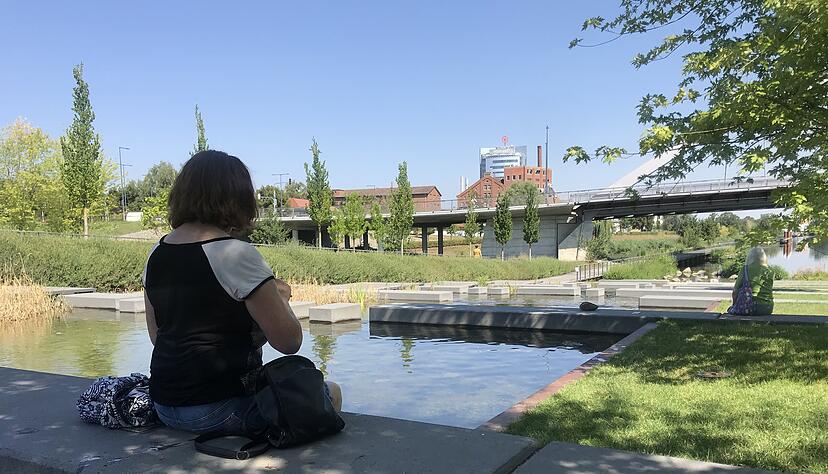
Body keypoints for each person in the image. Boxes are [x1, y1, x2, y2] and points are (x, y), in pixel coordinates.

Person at [143, 150, 342, 437]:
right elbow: (289, 342)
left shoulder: (156, 253)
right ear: (237, 197)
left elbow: (157, 337)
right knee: (330, 392)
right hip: (219, 407)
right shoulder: (235, 254)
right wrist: (281, 297)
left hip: (164, 404)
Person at [728, 247, 774, 316]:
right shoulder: (770, 271)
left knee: (730, 310)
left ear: (750, 257)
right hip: (768, 307)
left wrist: (734, 306)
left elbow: (735, 291)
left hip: (750, 307)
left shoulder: (745, 269)